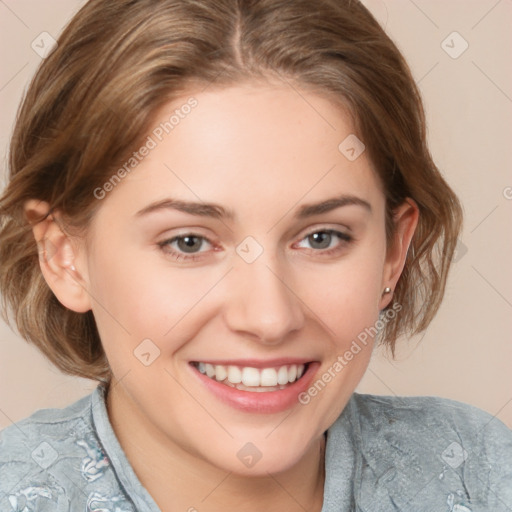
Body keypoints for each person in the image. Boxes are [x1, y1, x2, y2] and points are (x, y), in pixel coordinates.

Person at [0, 0, 511, 510]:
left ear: (393, 252)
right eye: (189, 242)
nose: (269, 318)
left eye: (322, 237)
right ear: (65, 256)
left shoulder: (482, 475)